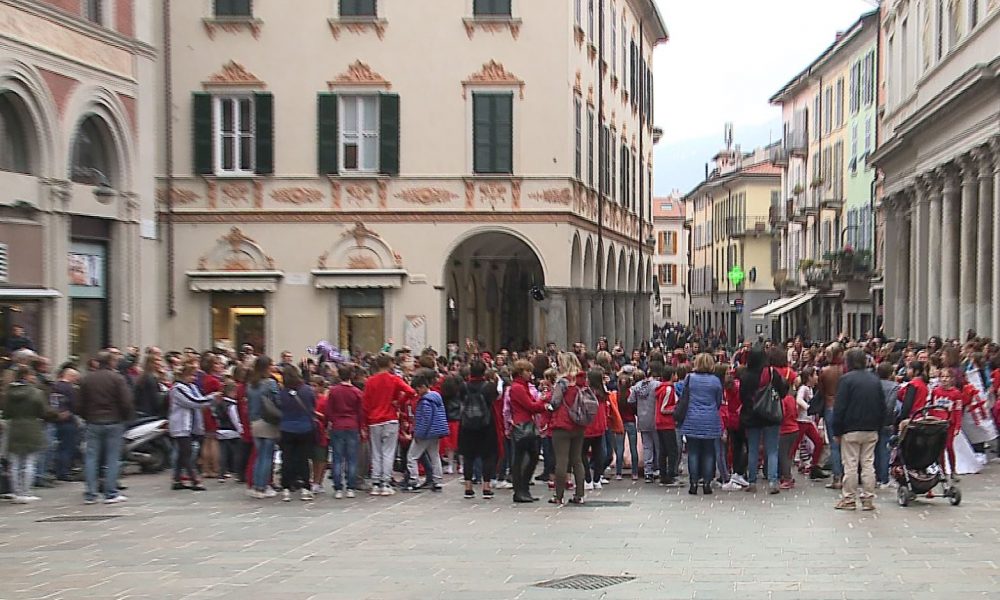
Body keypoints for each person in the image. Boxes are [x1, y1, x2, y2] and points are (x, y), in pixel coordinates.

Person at [832, 348, 887, 511]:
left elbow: (839, 407)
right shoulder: (875, 380)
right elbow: (882, 406)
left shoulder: (846, 380)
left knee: (850, 464)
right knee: (868, 464)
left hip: (851, 428)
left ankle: (849, 498)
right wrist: (879, 426)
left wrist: (837, 430)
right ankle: (868, 498)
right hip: (871, 428)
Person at [78, 350, 134, 504]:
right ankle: (110, 493)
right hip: (114, 421)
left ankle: (90, 493)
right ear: (111, 362)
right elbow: (126, 401)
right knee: (112, 458)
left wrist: (86, 416)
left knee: (91, 458)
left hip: (93, 421)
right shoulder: (117, 378)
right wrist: (125, 417)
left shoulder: (86, 379)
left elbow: (80, 403)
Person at [741, 347, 788, 495]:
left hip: (752, 416)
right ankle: (773, 481)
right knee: (772, 450)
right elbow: (783, 390)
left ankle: (752, 482)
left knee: (753, 450)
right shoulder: (771, 373)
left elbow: (742, 396)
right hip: (771, 414)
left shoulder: (746, 375)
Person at [4, 365, 53, 503]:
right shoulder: (36, 392)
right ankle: (26, 491)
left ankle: (16, 491)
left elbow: (6, 412)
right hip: (32, 426)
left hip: (14, 427)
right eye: (32, 375)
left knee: (14, 463)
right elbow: (43, 411)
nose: (34, 378)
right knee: (29, 462)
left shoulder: (9, 393)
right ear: (26, 376)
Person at [168, 365, 218, 491]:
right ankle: (194, 480)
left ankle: (177, 479)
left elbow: (199, 399)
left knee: (182, 453)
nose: (194, 378)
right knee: (187, 453)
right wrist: (212, 398)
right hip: (181, 424)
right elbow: (193, 402)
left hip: (190, 425)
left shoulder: (192, 387)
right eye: (191, 375)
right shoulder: (178, 389)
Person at [680, 354, 724, 495]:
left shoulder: (690, 379)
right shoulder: (716, 381)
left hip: (692, 418)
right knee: (709, 452)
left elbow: (684, 397)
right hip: (710, 419)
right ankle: (706, 483)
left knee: (693, 452)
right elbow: (718, 400)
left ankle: (693, 484)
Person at [549, 352, 587, 505]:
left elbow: (555, 401)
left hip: (562, 423)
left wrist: (548, 405)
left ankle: (558, 496)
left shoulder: (563, 382)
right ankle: (580, 494)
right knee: (577, 460)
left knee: (562, 460)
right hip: (578, 423)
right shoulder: (582, 381)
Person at [509, 359, 547, 503]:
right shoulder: (517, 387)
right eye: (527, 371)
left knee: (531, 456)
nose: (530, 374)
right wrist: (544, 402)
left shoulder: (522, 386)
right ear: (520, 372)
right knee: (521, 459)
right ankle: (520, 490)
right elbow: (531, 405)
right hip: (522, 425)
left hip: (526, 423)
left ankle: (523, 489)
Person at [404, 369, 449, 492]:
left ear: (423, 387)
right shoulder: (437, 397)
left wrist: (418, 434)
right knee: (434, 456)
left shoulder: (425, 402)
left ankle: (414, 480)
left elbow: (425, 420)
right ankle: (438, 481)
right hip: (436, 432)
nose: (416, 392)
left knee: (412, 457)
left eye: (417, 389)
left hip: (424, 434)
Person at [459, 360, 499, 499]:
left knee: (468, 456)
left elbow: (461, 400)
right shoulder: (489, 386)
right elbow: (495, 399)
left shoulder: (463, 386)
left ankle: (468, 487)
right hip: (486, 424)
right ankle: (486, 487)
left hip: (467, 425)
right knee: (487, 455)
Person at [277, 365, 316, 502]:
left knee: (287, 458)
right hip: (305, 427)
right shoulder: (307, 390)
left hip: (286, 428)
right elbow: (312, 406)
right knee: (303, 458)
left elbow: (279, 407)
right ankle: (306, 487)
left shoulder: (282, 393)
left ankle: (286, 488)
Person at [325, 363, 364, 499]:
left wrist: (329, 423)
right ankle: (350, 487)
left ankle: (338, 488)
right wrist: (361, 427)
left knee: (337, 458)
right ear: (351, 375)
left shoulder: (334, 391)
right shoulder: (356, 392)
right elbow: (360, 412)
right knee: (352, 458)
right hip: (352, 425)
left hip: (337, 425)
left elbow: (328, 410)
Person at [246, 356, 280, 499]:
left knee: (260, 456)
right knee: (267, 456)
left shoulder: (250, 384)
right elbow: (277, 401)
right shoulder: (270, 383)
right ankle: (263, 486)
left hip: (254, 421)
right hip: (267, 421)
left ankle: (256, 485)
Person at [819, 343, 846, 488]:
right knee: (845, 444)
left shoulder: (824, 371)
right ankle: (847, 474)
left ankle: (837, 477)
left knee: (834, 445)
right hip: (844, 407)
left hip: (830, 406)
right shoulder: (845, 370)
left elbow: (822, 391)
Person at [792, 367, 826, 479]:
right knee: (794, 446)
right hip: (802, 422)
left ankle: (813, 466)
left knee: (818, 443)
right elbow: (799, 399)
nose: (817, 377)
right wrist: (808, 408)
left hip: (807, 422)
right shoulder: (804, 388)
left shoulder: (810, 389)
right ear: (809, 377)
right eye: (815, 375)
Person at [628, 366, 660, 482]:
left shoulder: (636, 387)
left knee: (647, 447)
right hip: (655, 418)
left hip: (642, 419)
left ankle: (648, 472)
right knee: (658, 446)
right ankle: (658, 468)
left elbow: (630, 400)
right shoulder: (656, 385)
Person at [50, 366, 80, 482]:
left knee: (58, 447)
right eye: (75, 378)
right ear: (71, 376)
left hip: (55, 420)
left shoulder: (54, 386)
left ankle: (57, 470)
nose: (76, 380)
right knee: (67, 447)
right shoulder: (70, 389)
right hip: (68, 420)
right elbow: (75, 405)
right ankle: (64, 472)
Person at [582, 367, 609, 491]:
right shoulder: (603, 393)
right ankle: (597, 479)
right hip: (600, 425)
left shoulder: (587, 393)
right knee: (598, 454)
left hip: (588, 426)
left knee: (582, 453)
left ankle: (587, 479)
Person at [653, 364, 680, 486]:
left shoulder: (663, 388)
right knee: (672, 450)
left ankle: (664, 475)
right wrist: (676, 408)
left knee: (663, 450)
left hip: (660, 423)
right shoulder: (668, 389)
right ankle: (669, 475)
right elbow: (664, 408)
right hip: (666, 423)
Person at [875, 362, 900, 486]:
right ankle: (883, 477)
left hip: (873, 421)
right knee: (885, 450)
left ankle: (876, 475)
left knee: (874, 450)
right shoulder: (895, 386)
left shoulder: (874, 385)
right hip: (887, 422)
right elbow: (892, 405)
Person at [214, 380, 243, 482]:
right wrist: (240, 429)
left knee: (223, 454)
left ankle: (221, 474)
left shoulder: (220, 403)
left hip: (221, 430)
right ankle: (237, 473)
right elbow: (234, 418)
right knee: (236, 453)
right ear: (232, 392)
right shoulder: (231, 404)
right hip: (232, 431)